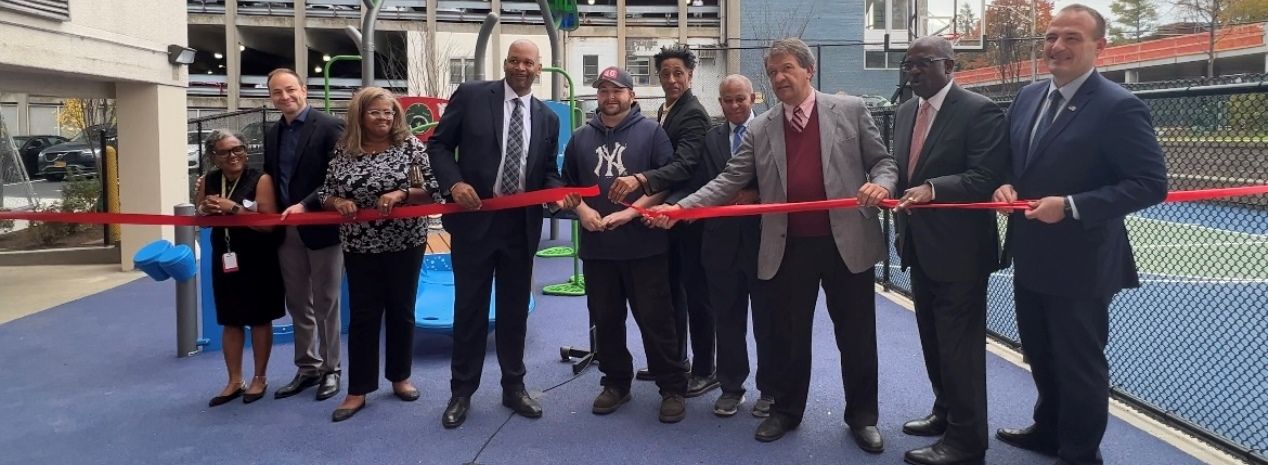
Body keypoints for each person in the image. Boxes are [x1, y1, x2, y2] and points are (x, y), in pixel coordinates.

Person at [652, 38, 896, 451]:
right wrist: (681, 210)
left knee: (856, 337)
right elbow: (729, 180)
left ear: (808, 70)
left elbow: (883, 161)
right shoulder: (763, 127)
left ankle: (862, 417)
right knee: (788, 336)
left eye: (786, 68)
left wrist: (881, 184)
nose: (779, 77)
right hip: (789, 246)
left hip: (846, 244)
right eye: (772, 71)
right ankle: (785, 409)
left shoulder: (851, 110)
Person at [991, 5, 1167, 465]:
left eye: (1072, 38)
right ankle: (1048, 430)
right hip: (1031, 255)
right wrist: (1005, 183)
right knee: (1041, 354)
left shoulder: (1119, 106)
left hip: (1083, 263)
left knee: (1079, 365)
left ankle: (1080, 453)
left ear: (1099, 47)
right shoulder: (1029, 97)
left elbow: (1149, 184)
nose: (1058, 46)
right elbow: (1017, 162)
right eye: (1052, 37)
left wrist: (1070, 207)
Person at [428, 39, 569, 429]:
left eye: (529, 62)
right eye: (514, 60)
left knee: (513, 312)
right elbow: (438, 145)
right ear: (505, 63)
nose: (521, 67)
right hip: (474, 222)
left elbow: (546, 173)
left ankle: (514, 386)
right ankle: (462, 392)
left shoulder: (547, 117)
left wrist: (558, 195)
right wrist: (453, 184)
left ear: (539, 68)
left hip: (520, 228)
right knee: (470, 309)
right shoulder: (473, 96)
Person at [890, 36, 1009, 465]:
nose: (914, 71)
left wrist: (933, 189)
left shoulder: (979, 111)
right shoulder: (905, 113)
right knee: (933, 341)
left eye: (923, 63)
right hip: (919, 248)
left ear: (949, 65)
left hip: (960, 253)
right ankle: (945, 411)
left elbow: (985, 176)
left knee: (960, 350)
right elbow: (901, 170)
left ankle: (966, 442)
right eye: (909, 65)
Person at [560, 66, 689, 423]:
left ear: (631, 96)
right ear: (597, 96)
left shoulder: (652, 133)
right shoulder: (580, 137)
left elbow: (667, 181)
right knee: (606, 318)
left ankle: (672, 386)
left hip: (644, 247)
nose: (610, 97)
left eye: (618, 90)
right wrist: (583, 210)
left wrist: (632, 213)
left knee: (656, 319)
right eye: (604, 90)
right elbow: (567, 186)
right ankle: (616, 382)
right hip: (598, 248)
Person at [318, 87, 445, 423]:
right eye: (375, 112)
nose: (384, 118)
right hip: (359, 244)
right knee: (363, 315)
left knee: (401, 311)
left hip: (406, 241)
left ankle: (400, 377)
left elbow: (431, 188)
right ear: (360, 115)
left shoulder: (411, 147)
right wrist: (339, 203)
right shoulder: (344, 149)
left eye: (389, 112)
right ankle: (358, 389)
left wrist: (402, 192)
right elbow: (326, 194)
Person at [666, 74, 775, 417]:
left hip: (764, 241)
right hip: (719, 244)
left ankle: (771, 390)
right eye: (727, 100)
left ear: (754, 98)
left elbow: (785, 182)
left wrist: (756, 195)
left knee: (768, 322)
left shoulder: (773, 132)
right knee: (727, 321)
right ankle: (731, 387)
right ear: (719, 102)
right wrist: (673, 208)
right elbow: (697, 183)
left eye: (740, 99)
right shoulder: (711, 139)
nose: (734, 106)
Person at [606, 45, 713, 393]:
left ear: (690, 75)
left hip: (688, 214)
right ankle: (675, 362)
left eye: (678, 73)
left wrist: (640, 180)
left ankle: (704, 368)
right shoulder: (665, 110)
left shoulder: (693, 113)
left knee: (695, 294)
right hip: (665, 213)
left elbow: (685, 165)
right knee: (671, 293)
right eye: (665, 73)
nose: (671, 79)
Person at [263, 68, 347, 402]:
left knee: (326, 301)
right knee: (298, 302)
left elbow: (339, 175)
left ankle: (332, 369)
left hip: (322, 226)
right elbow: (270, 177)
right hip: (287, 230)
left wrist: (306, 204)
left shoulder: (329, 126)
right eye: (276, 93)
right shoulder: (273, 133)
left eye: (289, 90)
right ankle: (308, 367)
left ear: (303, 89)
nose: (284, 97)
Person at [197, 129, 286, 407]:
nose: (233, 156)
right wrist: (204, 211)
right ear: (214, 156)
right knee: (230, 319)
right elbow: (200, 216)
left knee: (260, 318)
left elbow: (269, 223)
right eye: (225, 152)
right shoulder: (209, 180)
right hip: (225, 255)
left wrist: (233, 208)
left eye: (238, 149)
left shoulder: (260, 179)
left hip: (259, 256)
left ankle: (260, 377)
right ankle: (234, 380)